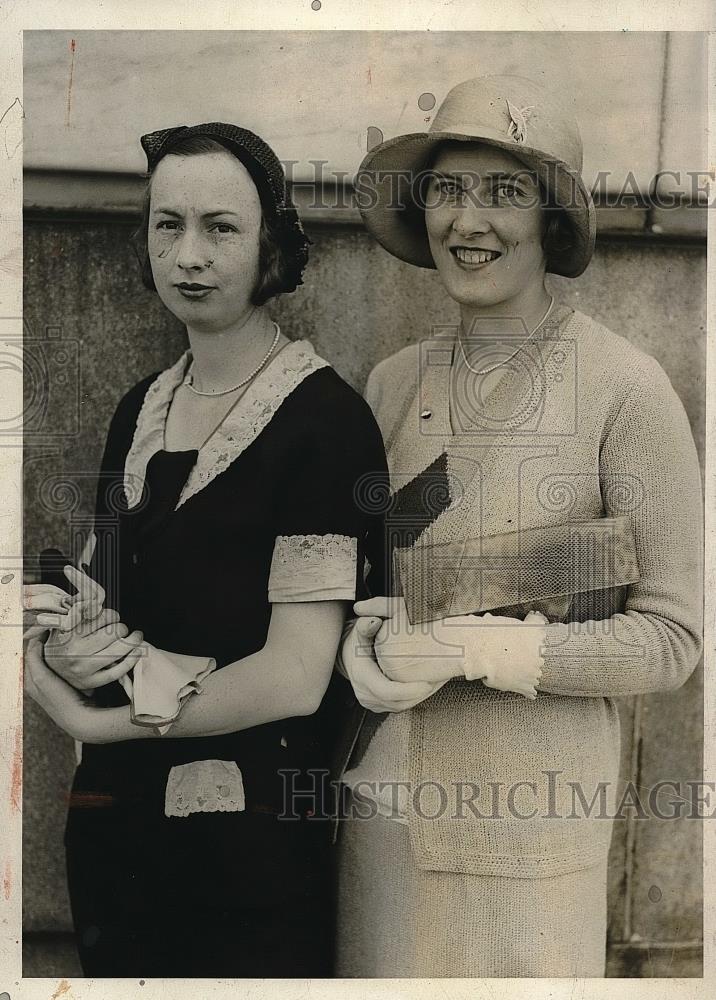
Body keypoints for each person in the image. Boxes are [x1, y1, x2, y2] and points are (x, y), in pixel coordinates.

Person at [336, 75, 703, 977]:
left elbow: (671, 638)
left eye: (504, 193)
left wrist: (472, 650)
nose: (470, 221)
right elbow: (374, 576)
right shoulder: (391, 383)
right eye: (449, 191)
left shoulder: (625, 387)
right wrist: (361, 641)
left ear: (553, 221)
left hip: (529, 840)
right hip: (379, 816)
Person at [23, 122, 390, 978]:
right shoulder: (139, 408)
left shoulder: (323, 425)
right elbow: (96, 594)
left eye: (220, 228)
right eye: (166, 224)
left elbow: (296, 676)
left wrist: (94, 719)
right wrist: (63, 652)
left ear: (271, 245)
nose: (188, 254)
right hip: (117, 831)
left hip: (243, 844)